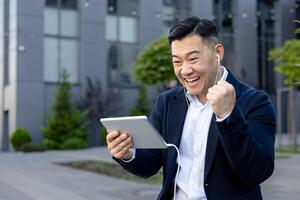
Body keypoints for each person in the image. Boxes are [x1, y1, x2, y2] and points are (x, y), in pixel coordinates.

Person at [106, 16, 276, 200]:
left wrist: (228, 115)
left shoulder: (255, 102)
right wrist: (128, 153)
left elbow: (258, 171)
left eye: (193, 59)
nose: (185, 70)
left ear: (217, 53)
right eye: (177, 62)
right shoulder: (167, 102)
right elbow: (150, 164)